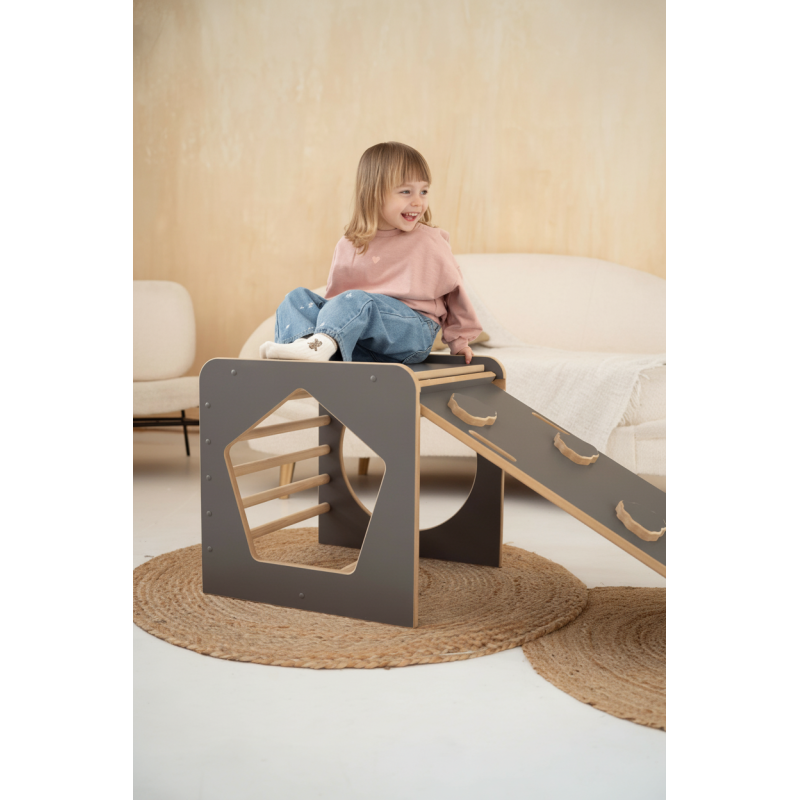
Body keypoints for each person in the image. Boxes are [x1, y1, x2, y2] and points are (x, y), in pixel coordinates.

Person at [259, 141, 482, 365]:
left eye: (423, 191)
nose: (418, 201)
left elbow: (455, 294)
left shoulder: (429, 241)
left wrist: (459, 341)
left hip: (412, 333)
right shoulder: (349, 245)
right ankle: (304, 350)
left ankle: (316, 348)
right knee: (296, 297)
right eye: (406, 192)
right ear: (374, 194)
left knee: (356, 299)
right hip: (359, 342)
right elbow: (335, 302)